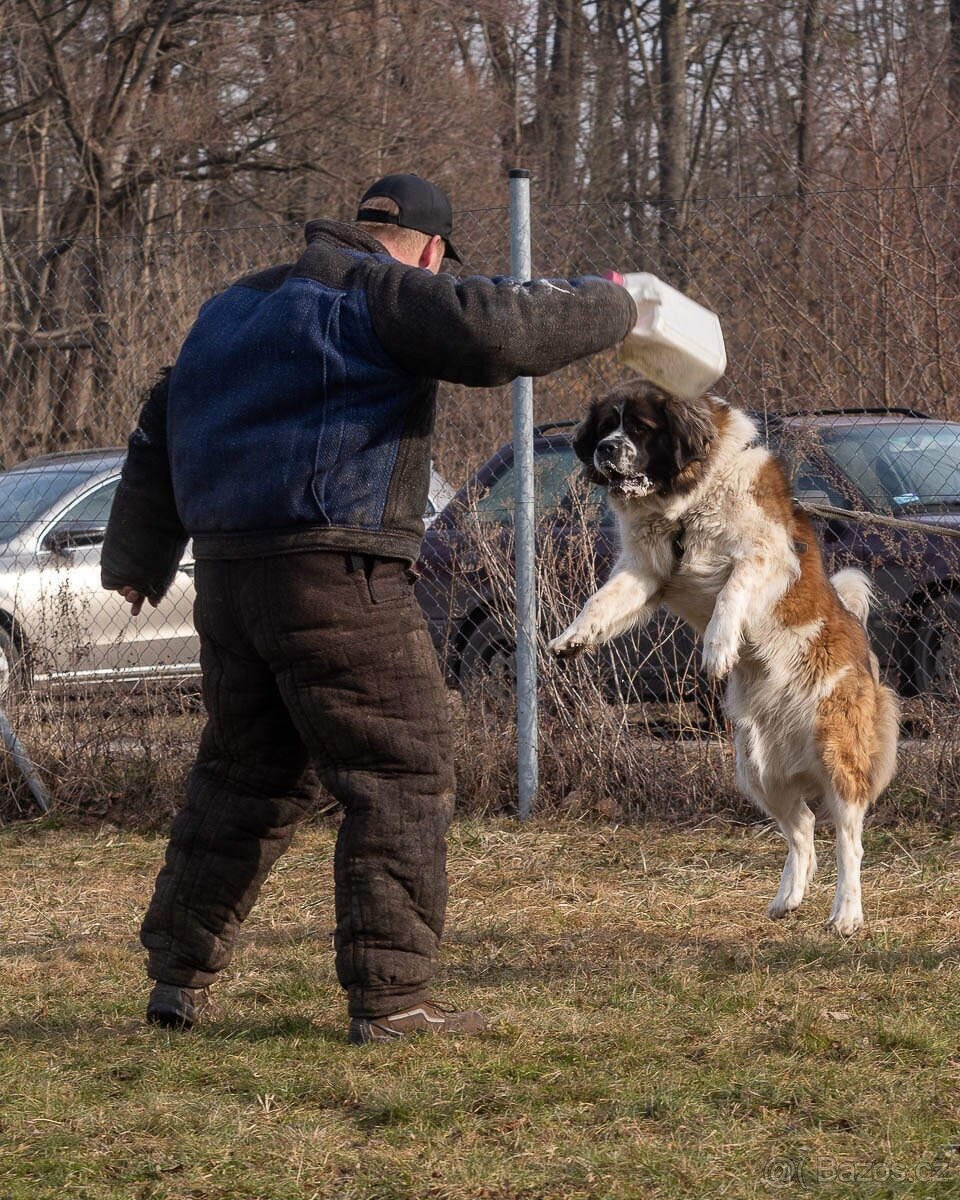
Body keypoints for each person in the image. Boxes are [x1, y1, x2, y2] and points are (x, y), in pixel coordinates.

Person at [101, 172, 636, 1044]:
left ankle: (177, 978)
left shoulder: (231, 307)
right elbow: (493, 330)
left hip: (230, 579)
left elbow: (162, 418)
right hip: (336, 572)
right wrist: (614, 305)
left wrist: (136, 557)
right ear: (431, 250)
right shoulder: (383, 292)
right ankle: (392, 1002)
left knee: (243, 777)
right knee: (400, 774)